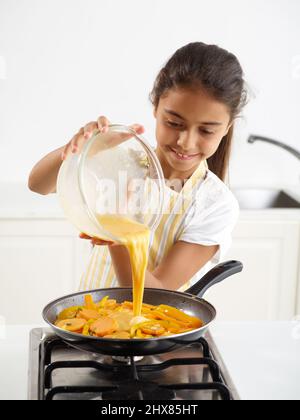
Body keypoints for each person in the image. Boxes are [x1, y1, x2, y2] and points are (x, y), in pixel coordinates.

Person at [28, 42, 248, 292]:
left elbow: (153, 294)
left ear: (227, 127)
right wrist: (89, 148)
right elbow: (38, 184)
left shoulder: (214, 204)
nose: (185, 142)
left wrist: (117, 227)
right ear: (155, 107)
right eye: (174, 123)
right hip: (87, 322)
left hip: (153, 330)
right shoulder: (123, 161)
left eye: (207, 130)